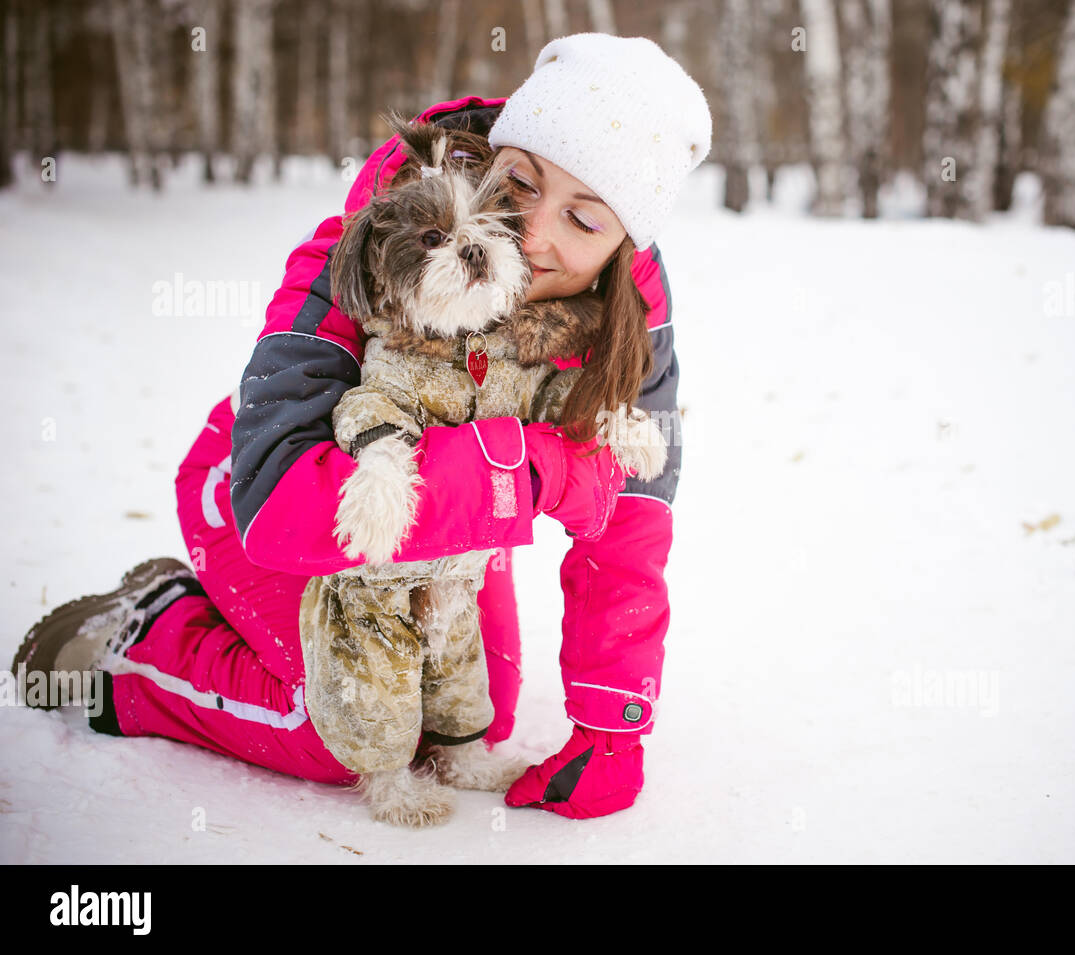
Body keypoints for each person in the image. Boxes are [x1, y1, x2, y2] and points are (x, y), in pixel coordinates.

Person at [13, 33, 711, 820]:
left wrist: (612, 725)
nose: (535, 232)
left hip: (446, 520)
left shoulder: (631, 314)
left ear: (624, 245)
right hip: (271, 494)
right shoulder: (380, 234)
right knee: (343, 724)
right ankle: (144, 642)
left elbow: (631, 519)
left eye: (583, 219)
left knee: (473, 716)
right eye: (519, 181)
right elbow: (282, 503)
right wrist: (529, 472)